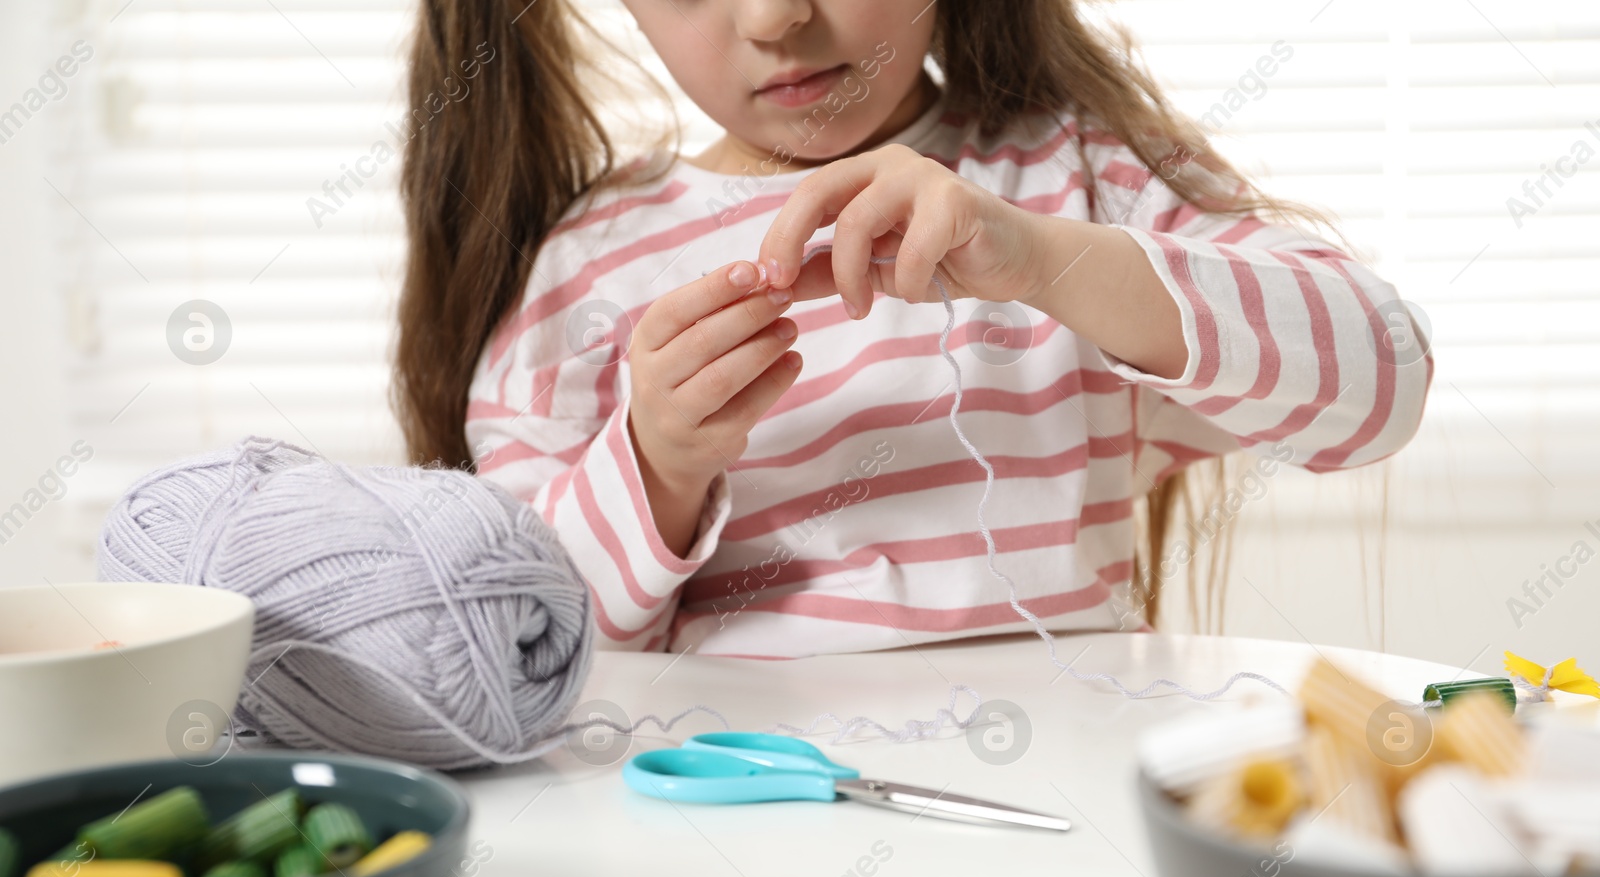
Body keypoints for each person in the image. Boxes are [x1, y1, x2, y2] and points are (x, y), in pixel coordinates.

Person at [393, 0, 1431, 657]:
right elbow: (524, 639)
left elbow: (1380, 386)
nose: (773, 18)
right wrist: (656, 464)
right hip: (758, 797)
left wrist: (1039, 258)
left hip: (1080, 781)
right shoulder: (586, 266)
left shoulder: (1076, 172)